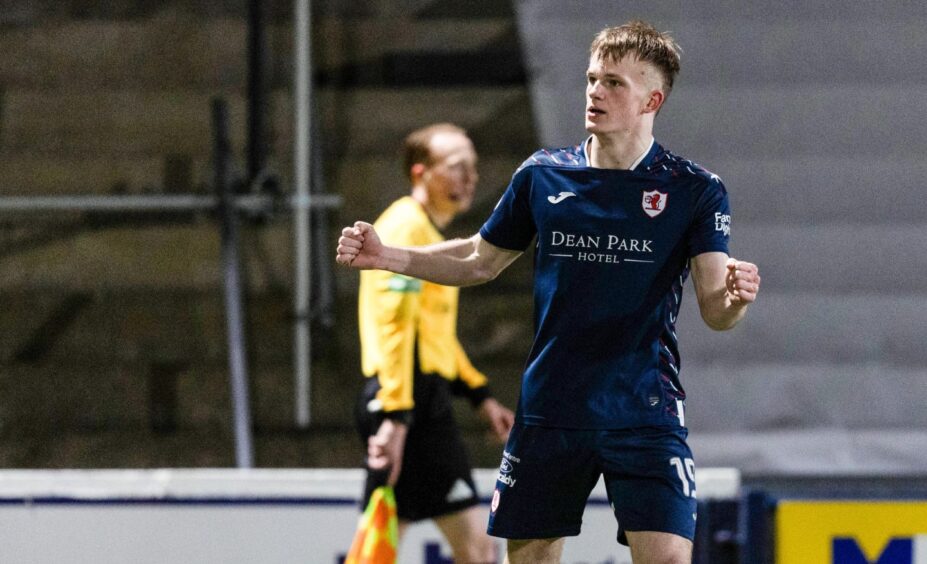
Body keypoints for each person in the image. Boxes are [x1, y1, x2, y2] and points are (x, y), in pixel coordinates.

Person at [338, 21, 761, 564]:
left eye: (613, 83)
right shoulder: (543, 175)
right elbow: (478, 259)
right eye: (591, 79)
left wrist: (736, 298)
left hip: (645, 411)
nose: (595, 92)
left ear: (652, 98)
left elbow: (715, 309)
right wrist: (387, 256)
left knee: (671, 559)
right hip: (551, 410)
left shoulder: (694, 189)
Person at [353, 122, 515, 563]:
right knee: (477, 551)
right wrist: (397, 415)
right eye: (457, 166)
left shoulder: (425, 234)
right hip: (409, 404)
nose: (470, 177)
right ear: (421, 172)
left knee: (382, 544)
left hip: (413, 398)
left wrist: (479, 395)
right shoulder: (405, 230)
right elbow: (394, 327)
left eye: (474, 167)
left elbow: (433, 335)